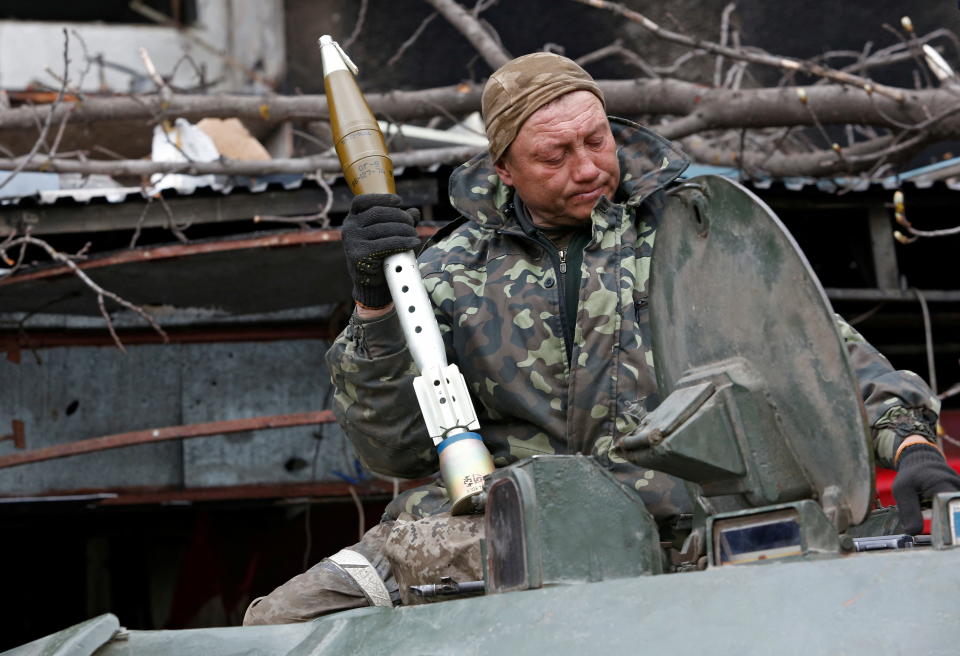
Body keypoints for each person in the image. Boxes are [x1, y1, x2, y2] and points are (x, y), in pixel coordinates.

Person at [243, 52, 956, 625]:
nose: (587, 168)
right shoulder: (446, 275)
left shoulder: (690, 244)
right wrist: (374, 307)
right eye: (555, 156)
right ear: (504, 171)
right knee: (277, 625)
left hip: (676, 538)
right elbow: (389, 447)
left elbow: (824, 359)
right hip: (491, 538)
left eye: (596, 140)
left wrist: (913, 445)